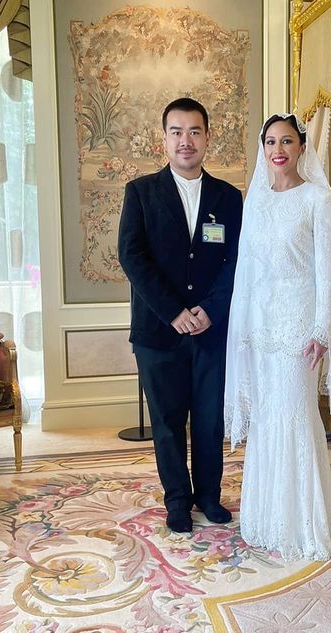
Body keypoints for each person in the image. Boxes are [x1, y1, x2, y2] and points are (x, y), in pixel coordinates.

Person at [224, 113, 331, 561]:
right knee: (266, 421)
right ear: (263, 150)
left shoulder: (319, 199)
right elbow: (247, 272)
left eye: (287, 141)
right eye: (270, 141)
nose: (278, 149)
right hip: (261, 330)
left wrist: (322, 329)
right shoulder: (254, 202)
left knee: (297, 417)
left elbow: (328, 273)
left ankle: (305, 525)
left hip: (300, 330)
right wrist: (242, 328)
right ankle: (266, 519)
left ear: (301, 148)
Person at [118, 97, 243, 533]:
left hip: (212, 331)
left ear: (207, 137)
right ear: (164, 138)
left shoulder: (229, 198)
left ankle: (209, 497)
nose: (185, 141)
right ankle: (177, 501)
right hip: (158, 332)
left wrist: (209, 310)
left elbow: (236, 261)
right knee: (168, 422)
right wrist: (174, 312)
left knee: (209, 420)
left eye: (194, 131)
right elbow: (132, 257)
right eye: (177, 132)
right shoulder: (141, 192)